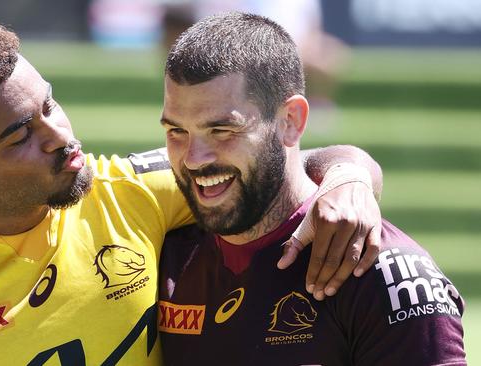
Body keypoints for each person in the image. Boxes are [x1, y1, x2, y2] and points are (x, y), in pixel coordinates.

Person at [0, 16, 382, 365]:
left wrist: (351, 177)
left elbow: (281, 163)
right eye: (21, 134)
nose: (60, 135)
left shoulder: (133, 192)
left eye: (49, 105)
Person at [157, 12, 466, 365]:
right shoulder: (162, 245)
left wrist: (351, 171)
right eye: (176, 131)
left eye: (222, 130)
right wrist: (351, 168)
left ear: (291, 121)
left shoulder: (381, 273)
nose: (194, 159)